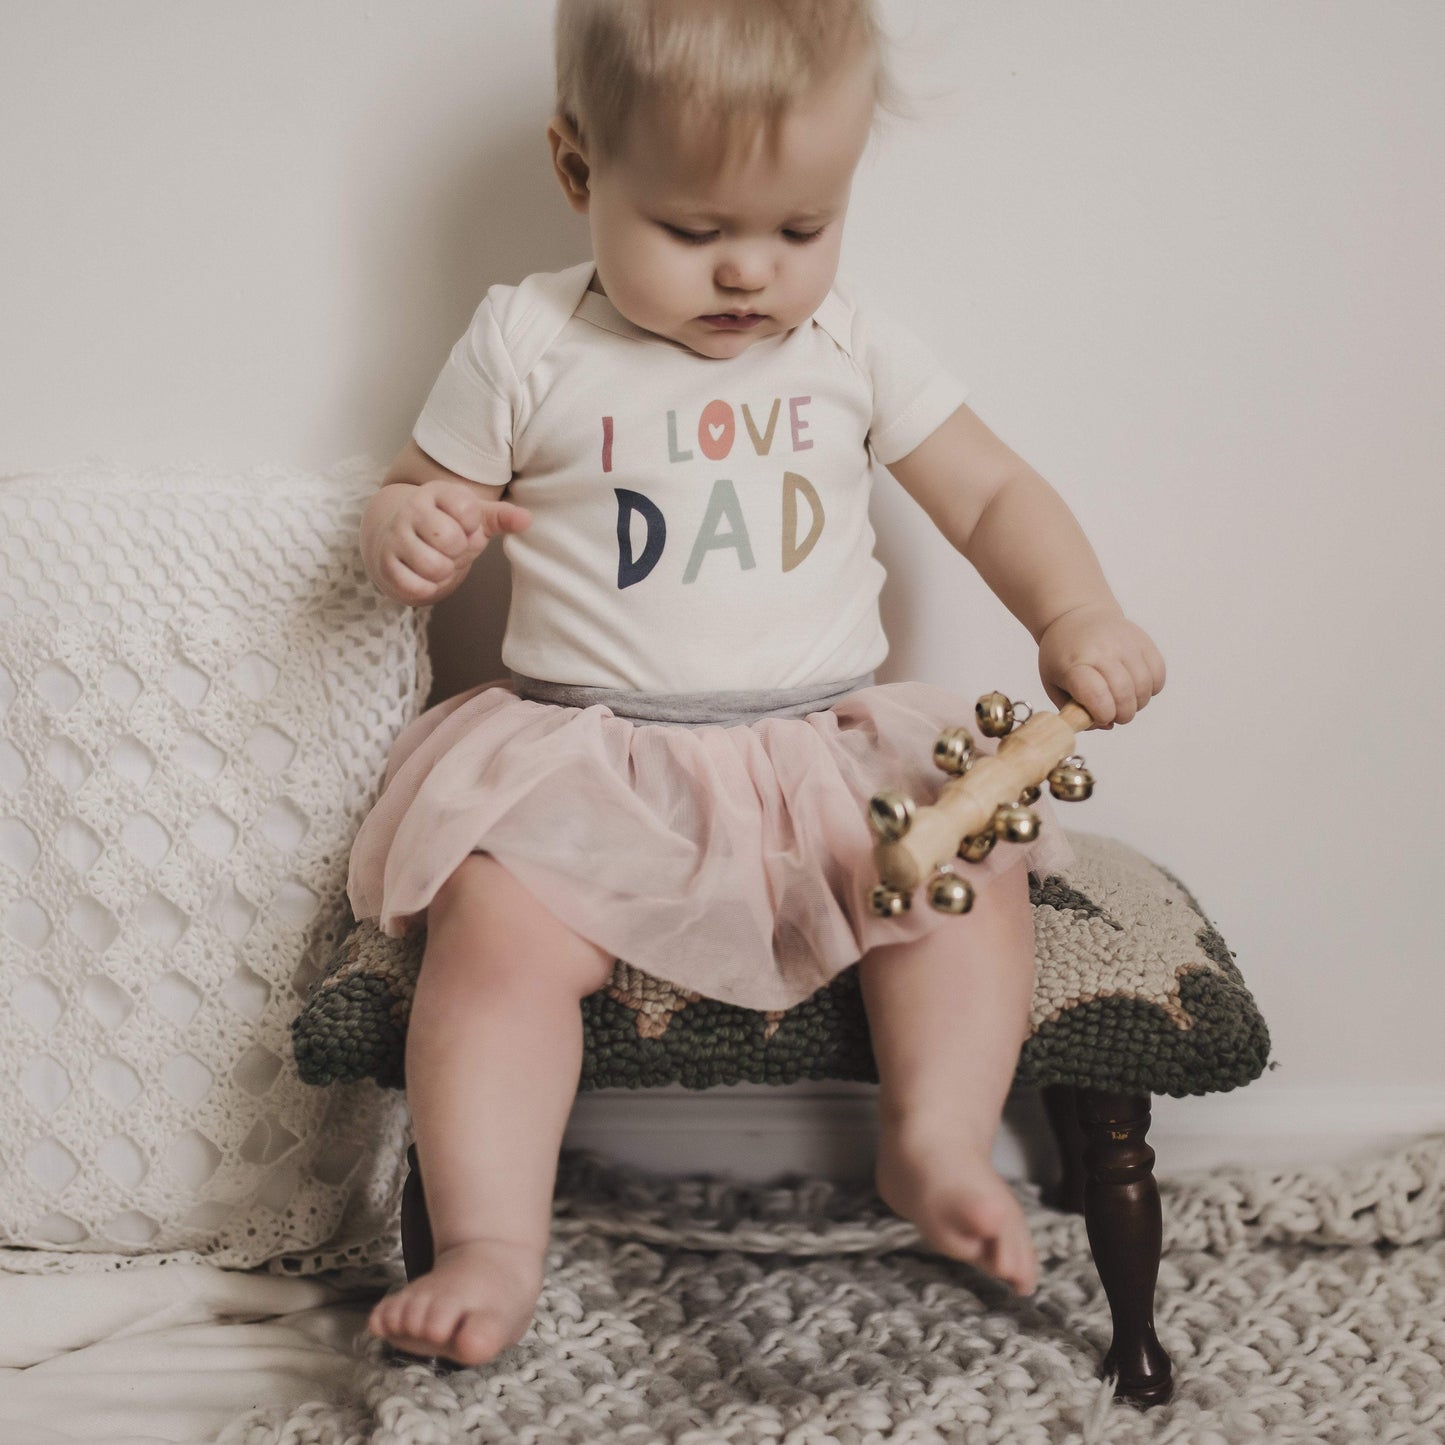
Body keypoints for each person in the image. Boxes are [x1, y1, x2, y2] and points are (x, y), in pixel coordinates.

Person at [349, 0, 1165, 1368]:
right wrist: (412, 528)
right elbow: (415, 486)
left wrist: (1074, 609)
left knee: (963, 880)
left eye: (800, 227)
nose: (748, 270)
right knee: (490, 935)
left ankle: (934, 1140)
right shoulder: (526, 338)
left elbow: (989, 493)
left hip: (822, 748)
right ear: (577, 169)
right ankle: (491, 1239)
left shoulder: (848, 342)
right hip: (593, 756)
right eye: (691, 229)